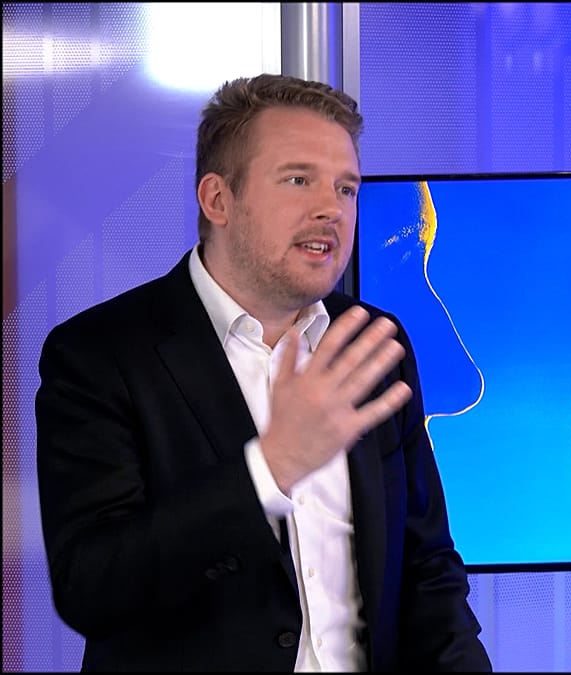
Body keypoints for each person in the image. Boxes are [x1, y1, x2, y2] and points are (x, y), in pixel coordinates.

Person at [36, 73, 492, 671]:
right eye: (299, 180)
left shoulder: (374, 342)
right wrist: (270, 469)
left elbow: (426, 566)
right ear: (217, 200)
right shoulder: (99, 354)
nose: (331, 209)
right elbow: (92, 586)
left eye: (346, 188)